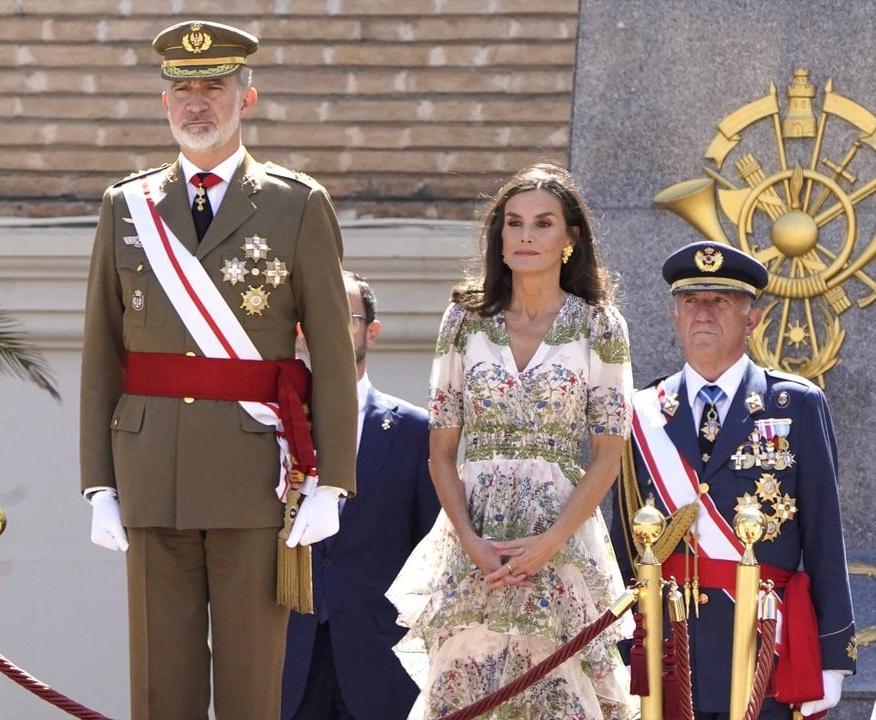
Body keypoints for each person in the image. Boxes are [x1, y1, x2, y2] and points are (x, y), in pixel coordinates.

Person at [79, 20, 357, 720]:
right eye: (182, 88)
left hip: (253, 476)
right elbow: (100, 354)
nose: (197, 101)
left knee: (249, 686)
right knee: (158, 689)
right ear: (163, 102)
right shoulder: (127, 206)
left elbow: (330, 350)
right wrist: (97, 485)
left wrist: (335, 481)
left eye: (215, 85)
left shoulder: (297, 204)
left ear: (247, 97)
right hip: (150, 473)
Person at [387, 162, 637, 719]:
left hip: (561, 537)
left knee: (557, 685)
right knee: (466, 688)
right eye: (514, 222)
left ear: (571, 238)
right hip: (474, 535)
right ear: (498, 236)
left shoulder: (601, 326)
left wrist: (552, 540)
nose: (526, 235)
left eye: (543, 223)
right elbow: (442, 452)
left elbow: (607, 455)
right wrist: (471, 541)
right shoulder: (464, 320)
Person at [611, 241, 857, 718]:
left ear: (753, 319)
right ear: (673, 316)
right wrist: (616, 648)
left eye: (719, 301)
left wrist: (831, 656)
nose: (702, 313)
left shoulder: (795, 405)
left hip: (763, 642)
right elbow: (623, 541)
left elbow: (825, 536)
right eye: (690, 302)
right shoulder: (641, 412)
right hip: (666, 648)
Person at [281, 271, 441, 720]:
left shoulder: (415, 431)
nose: (329, 326)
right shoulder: (266, 427)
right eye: (316, 316)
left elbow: (433, 553)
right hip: (287, 661)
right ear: (299, 333)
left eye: (345, 317)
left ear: (372, 330)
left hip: (382, 665)